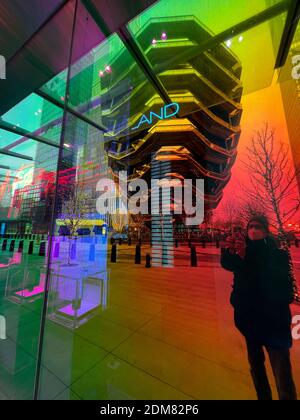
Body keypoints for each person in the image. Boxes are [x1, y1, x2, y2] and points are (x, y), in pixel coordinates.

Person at [221, 215, 297, 400]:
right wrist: (228, 251)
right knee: (256, 368)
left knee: (282, 374)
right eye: (250, 227)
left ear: (265, 230)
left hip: (274, 324)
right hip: (251, 323)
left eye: (257, 227)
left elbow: (285, 287)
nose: (253, 230)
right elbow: (228, 264)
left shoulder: (277, 253)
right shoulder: (243, 252)